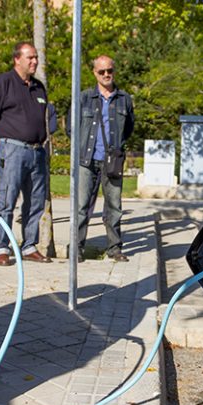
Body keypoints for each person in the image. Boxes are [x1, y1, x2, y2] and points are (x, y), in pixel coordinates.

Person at [0, 42, 51, 265]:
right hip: (13, 149)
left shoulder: (39, 87)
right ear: (17, 59)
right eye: (30, 57)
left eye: (36, 58)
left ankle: (29, 245)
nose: (34, 61)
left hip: (37, 152)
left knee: (35, 202)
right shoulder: (3, 82)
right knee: (7, 200)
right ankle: (2, 247)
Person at [68, 55, 135, 262]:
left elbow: (129, 128)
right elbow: (71, 127)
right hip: (87, 160)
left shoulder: (124, 99)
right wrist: (81, 147)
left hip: (112, 161)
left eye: (110, 71)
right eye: (102, 71)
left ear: (114, 71)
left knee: (114, 206)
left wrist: (117, 148)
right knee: (81, 206)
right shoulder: (84, 98)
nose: (106, 75)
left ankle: (115, 249)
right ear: (94, 73)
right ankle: (76, 248)